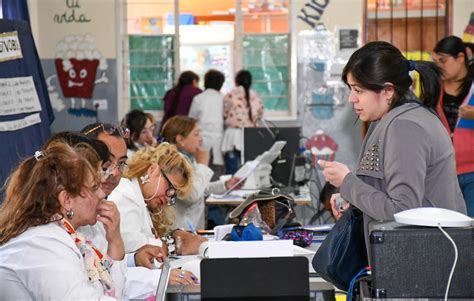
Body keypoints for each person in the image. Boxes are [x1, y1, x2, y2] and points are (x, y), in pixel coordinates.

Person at [318, 41, 466, 241]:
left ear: (388, 91)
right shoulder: (392, 119)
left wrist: (347, 183)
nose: (351, 99)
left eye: (359, 90)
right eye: (351, 89)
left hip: (424, 259)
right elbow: (385, 191)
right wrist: (352, 198)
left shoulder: (404, 127)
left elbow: (402, 212)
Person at [0, 142, 126, 299]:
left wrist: (115, 242)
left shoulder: (56, 235)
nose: (101, 194)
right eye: (93, 188)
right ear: (66, 199)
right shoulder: (42, 244)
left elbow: (112, 293)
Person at [109, 143, 200, 284]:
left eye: (174, 195)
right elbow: (131, 244)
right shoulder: (125, 194)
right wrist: (167, 245)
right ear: (152, 170)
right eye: (170, 188)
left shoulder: (139, 198)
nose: (169, 198)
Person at [161, 116, 243, 230]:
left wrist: (224, 185)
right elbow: (192, 195)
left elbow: (200, 187)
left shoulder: (188, 157)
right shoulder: (173, 162)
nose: (200, 139)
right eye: (196, 134)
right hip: (180, 231)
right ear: (180, 139)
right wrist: (202, 165)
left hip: (192, 228)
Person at [433, 36, 474, 217]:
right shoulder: (434, 89)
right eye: (435, 62)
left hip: (472, 171)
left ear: (460, 57)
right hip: (444, 172)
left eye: (443, 60)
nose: (438, 66)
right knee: (449, 228)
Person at [222, 70, 264, 174]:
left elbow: (224, 114)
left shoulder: (230, 95)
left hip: (233, 137)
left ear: (236, 81)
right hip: (250, 136)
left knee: (232, 173)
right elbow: (259, 115)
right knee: (248, 173)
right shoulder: (255, 96)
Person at [188, 69, 226, 176]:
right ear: (221, 84)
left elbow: (191, 120)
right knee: (217, 171)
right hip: (219, 139)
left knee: (201, 169)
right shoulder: (223, 98)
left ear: (205, 82)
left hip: (201, 138)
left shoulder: (198, 98)